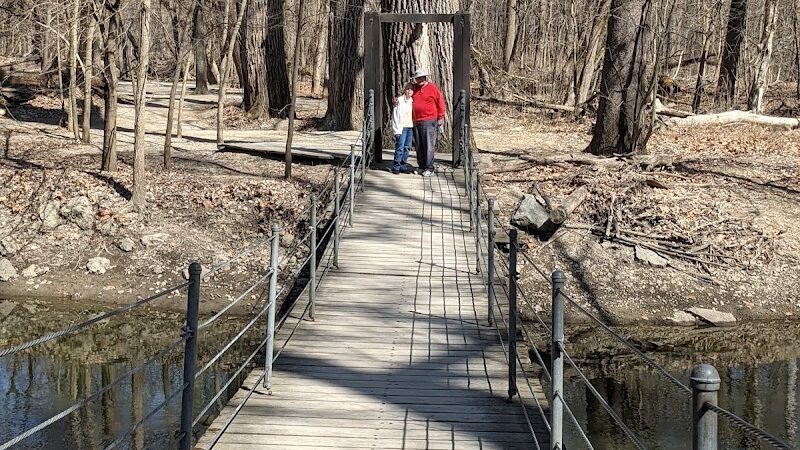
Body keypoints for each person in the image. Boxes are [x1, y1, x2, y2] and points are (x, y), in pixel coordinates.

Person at [409, 68, 445, 177]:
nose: (419, 80)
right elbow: (405, 98)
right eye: (417, 78)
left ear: (425, 77)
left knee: (428, 144)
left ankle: (429, 167)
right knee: (419, 145)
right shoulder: (413, 89)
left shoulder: (432, 88)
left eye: (421, 77)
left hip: (429, 120)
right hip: (416, 120)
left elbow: (440, 102)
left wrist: (441, 117)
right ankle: (421, 166)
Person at [390, 83, 414, 174]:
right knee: (400, 147)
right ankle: (396, 166)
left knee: (407, 147)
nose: (409, 91)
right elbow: (395, 116)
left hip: (410, 127)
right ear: (404, 90)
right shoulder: (399, 101)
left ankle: (403, 166)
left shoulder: (412, 101)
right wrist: (396, 130)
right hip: (401, 127)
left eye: (411, 89)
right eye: (408, 89)